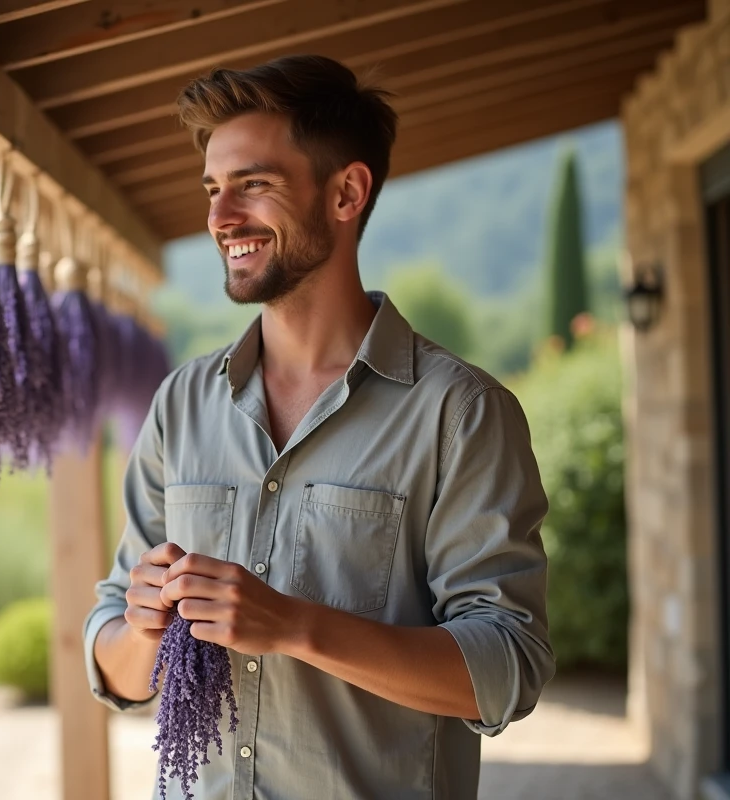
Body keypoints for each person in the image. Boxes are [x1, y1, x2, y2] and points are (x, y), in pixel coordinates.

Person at [82, 54, 554, 800]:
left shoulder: (459, 413)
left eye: (254, 184)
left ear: (346, 192)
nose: (219, 218)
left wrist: (295, 626)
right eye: (212, 189)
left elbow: (507, 667)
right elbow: (115, 668)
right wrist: (141, 628)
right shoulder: (180, 405)